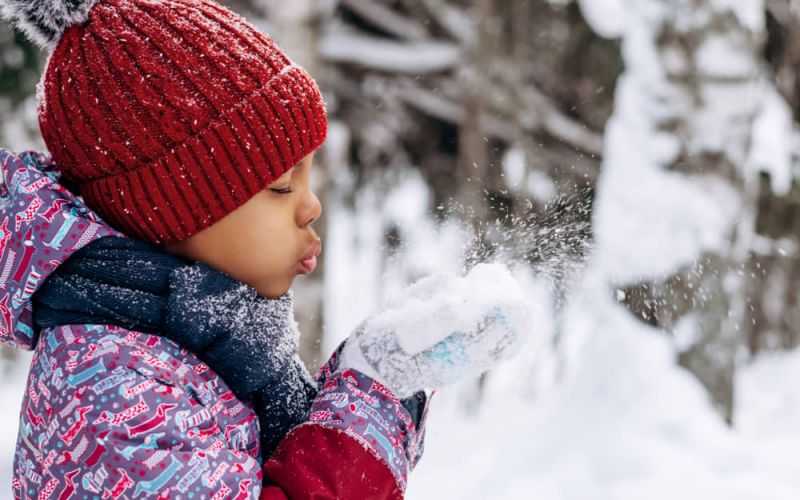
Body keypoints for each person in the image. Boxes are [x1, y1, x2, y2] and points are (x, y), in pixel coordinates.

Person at [0, 0, 534, 497]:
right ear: (169, 209)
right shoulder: (112, 393)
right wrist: (365, 409)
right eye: (281, 187)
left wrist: (373, 382)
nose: (311, 207)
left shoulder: (201, 339)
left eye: (308, 180)